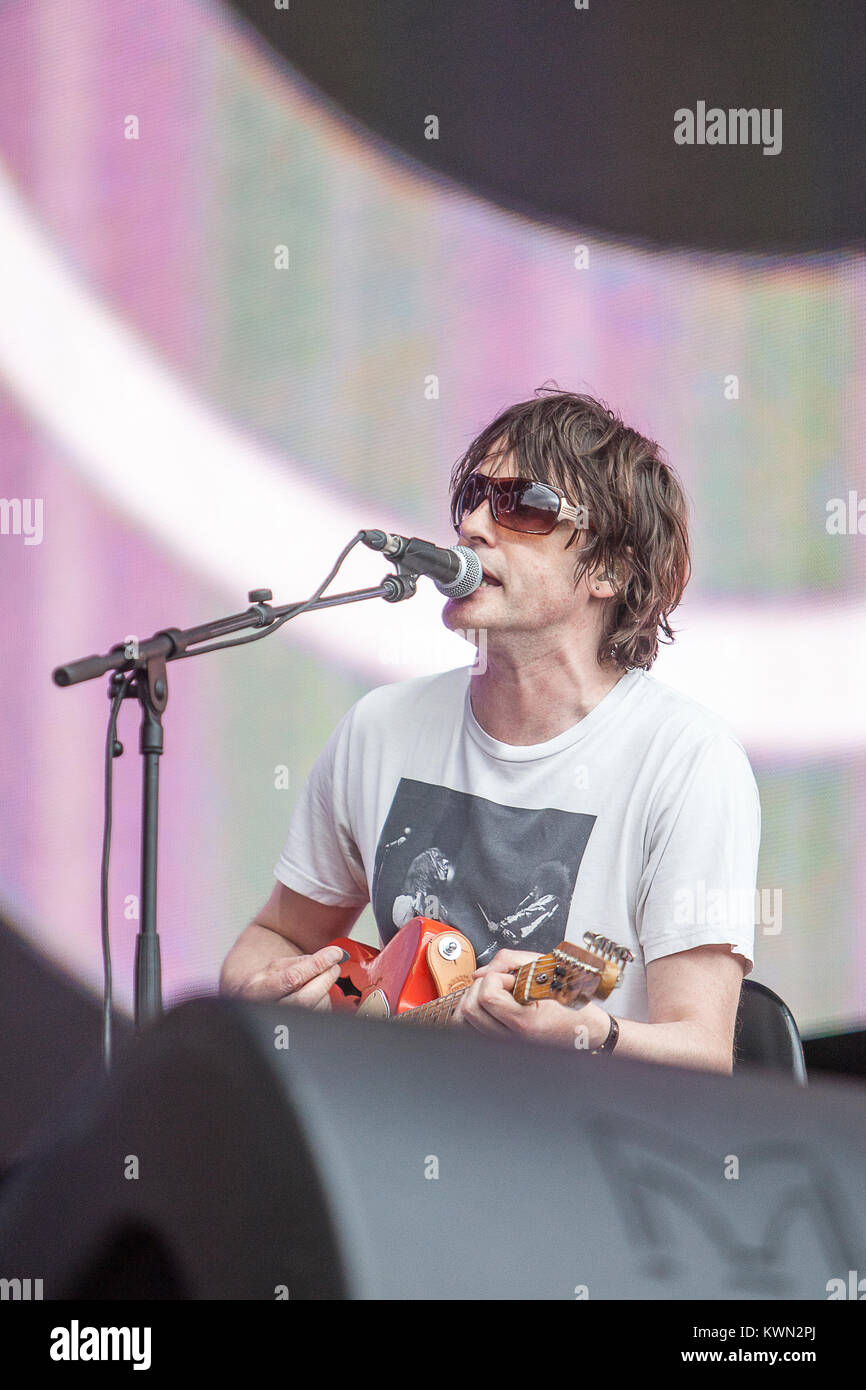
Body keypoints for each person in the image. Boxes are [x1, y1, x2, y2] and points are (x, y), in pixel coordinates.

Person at [220, 388, 761, 1073]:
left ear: (608, 569)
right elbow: (274, 937)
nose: (474, 523)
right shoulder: (380, 729)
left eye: (522, 505)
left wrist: (587, 1032)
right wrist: (258, 997)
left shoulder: (688, 762)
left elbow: (704, 1053)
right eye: (473, 496)